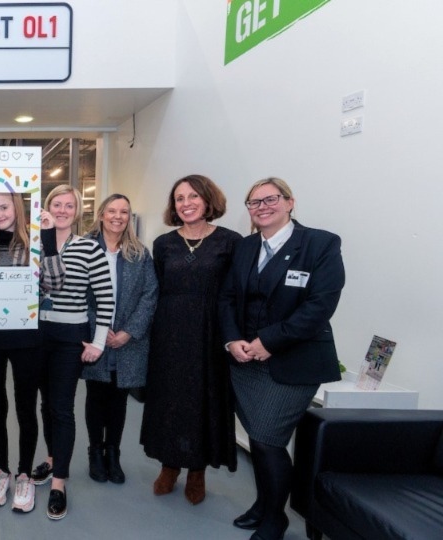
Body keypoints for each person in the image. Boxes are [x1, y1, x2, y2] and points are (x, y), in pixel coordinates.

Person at [219, 178, 344, 540]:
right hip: (244, 363)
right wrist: (231, 340)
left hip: (292, 363)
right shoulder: (244, 248)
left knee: (269, 439)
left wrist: (267, 342)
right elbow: (226, 298)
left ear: (290, 202)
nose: (262, 207)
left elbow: (320, 307)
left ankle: (276, 516)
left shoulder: (320, 243)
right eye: (254, 203)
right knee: (259, 440)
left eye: (270, 199)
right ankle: (263, 504)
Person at [139, 174, 241, 505]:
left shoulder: (230, 242)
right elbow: (153, 291)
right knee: (170, 400)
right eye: (179, 198)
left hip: (211, 336)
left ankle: (197, 471)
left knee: (203, 401)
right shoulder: (164, 244)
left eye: (193, 196)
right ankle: (169, 466)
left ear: (208, 200)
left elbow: (236, 294)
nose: (186, 203)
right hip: (168, 334)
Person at [0, 192, 63, 515]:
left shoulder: (35, 245)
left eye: (4, 207)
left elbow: (55, 284)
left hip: (27, 340)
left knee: (25, 408)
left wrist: (47, 241)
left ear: (17, 208)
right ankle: (1, 471)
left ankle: (23, 475)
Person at [32, 184, 113, 520]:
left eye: (69, 205)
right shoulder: (33, 246)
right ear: (47, 207)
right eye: (56, 204)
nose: (62, 210)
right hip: (36, 334)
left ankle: (60, 482)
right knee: (45, 403)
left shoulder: (89, 249)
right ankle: (52, 459)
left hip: (70, 337)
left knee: (62, 407)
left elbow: (106, 299)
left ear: (77, 211)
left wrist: (97, 342)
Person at [80, 194, 158, 484]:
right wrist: (100, 331)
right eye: (112, 210)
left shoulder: (139, 253)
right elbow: (75, 294)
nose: (118, 216)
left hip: (128, 342)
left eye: (124, 211)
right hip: (94, 339)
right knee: (96, 396)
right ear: (101, 215)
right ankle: (95, 452)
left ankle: (113, 453)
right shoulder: (84, 248)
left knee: (119, 400)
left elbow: (150, 295)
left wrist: (128, 332)